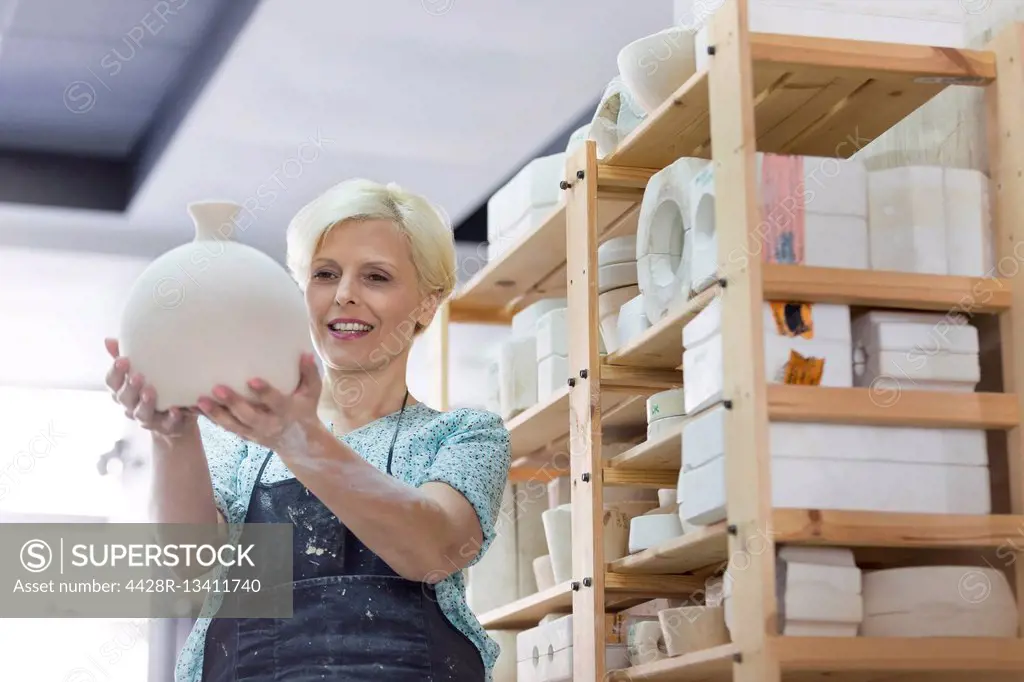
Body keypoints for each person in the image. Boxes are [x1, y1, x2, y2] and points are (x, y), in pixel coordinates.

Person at [103, 179, 512, 681]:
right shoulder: (236, 445)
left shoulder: (464, 436)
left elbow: (433, 550)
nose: (344, 295)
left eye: (376, 277)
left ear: (428, 303)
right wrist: (171, 436)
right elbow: (184, 577)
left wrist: (298, 440)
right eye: (325, 274)